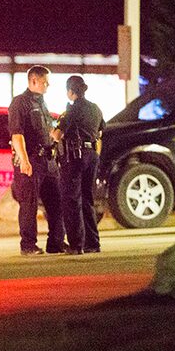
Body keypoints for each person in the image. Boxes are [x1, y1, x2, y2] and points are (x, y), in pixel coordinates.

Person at [8, 65, 66, 255]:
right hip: (31, 159)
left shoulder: (42, 103)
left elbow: (47, 129)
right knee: (29, 203)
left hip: (48, 160)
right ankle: (28, 245)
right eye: (45, 82)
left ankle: (56, 243)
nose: (48, 86)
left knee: (56, 202)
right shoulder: (20, 103)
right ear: (33, 80)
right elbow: (17, 134)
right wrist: (24, 161)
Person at [52, 75, 105, 254]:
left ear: (70, 91)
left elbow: (57, 135)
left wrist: (52, 129)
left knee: (71, 200)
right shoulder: (95, 109)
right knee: (87, 200)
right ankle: (93, 243)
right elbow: (100, 132)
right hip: (92, 156)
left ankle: (76, 244)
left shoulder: (72, 111)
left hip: (75, 156)